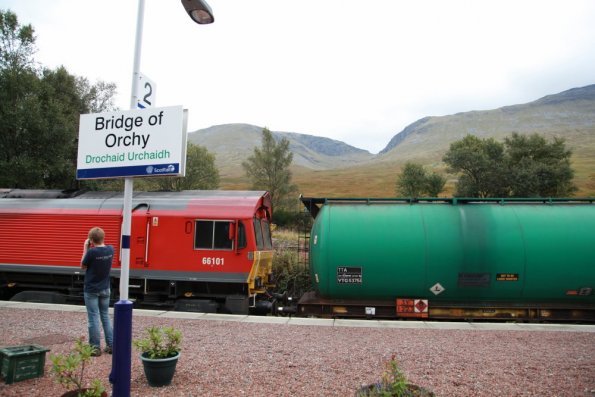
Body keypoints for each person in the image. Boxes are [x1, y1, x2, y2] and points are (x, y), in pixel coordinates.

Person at [81, 227, 114, 357]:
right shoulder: (111, 249)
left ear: (91, 240)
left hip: (91, 290)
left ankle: (95, 348)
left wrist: (86, 247)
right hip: (105, 288)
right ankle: (111, 345)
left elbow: (82, 266)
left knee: (93, 318)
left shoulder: (91, 252)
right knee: (105, 316)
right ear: (103, 237)